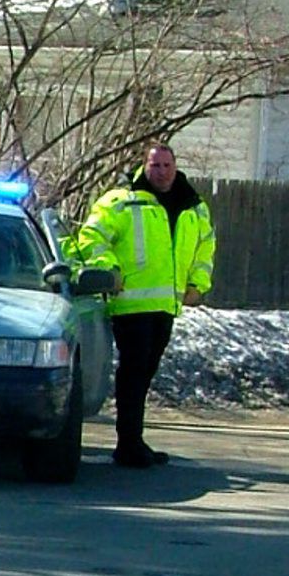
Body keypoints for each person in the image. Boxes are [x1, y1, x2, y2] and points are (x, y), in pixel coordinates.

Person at [76, 144, 216, 468]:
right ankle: (128, 444)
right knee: (134, 374)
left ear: (176, 166)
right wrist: (110, 271)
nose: (162, 171)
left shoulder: (193, 206)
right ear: (144, 167)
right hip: (130, 306)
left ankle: (133, 440)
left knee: (144, 374)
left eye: (167, 165)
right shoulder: (122, 201)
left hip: (166, 305)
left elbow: (205, 247)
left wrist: (198, 284)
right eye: (155, 165)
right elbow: (92, 237)